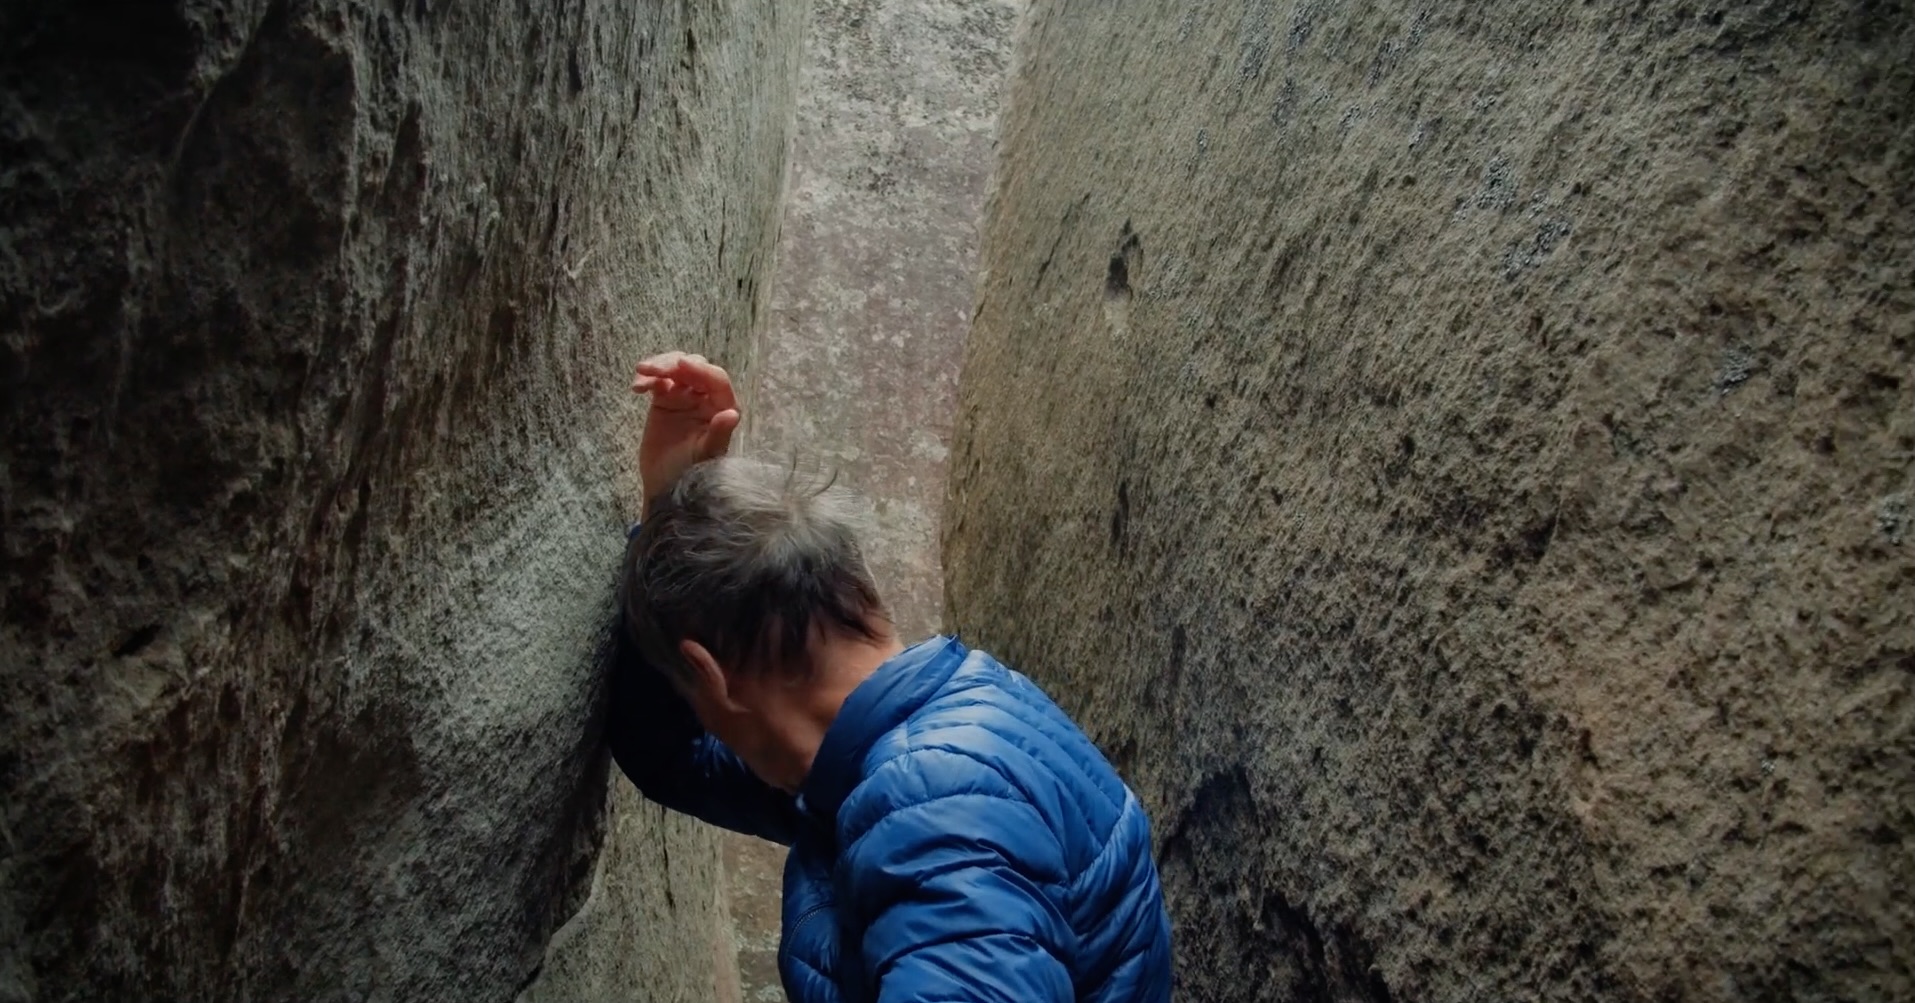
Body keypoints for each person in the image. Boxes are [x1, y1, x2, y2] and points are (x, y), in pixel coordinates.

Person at [606, 352, 1173, 1003]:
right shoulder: (909, 741)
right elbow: (673, 759)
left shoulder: (932, 812)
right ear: (852, 585)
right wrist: (664, 514)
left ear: (709, 675)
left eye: (687, 690)